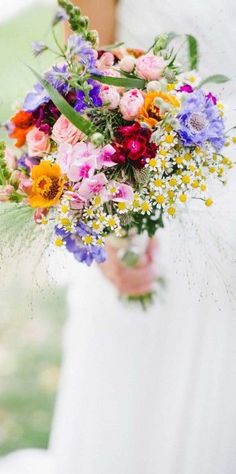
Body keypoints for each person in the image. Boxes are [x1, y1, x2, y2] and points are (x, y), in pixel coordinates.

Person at [1, 0, 236, 473]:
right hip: (148, 201)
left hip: (210, 186)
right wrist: (109, 227)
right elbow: (84, 75)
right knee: (134, 397)